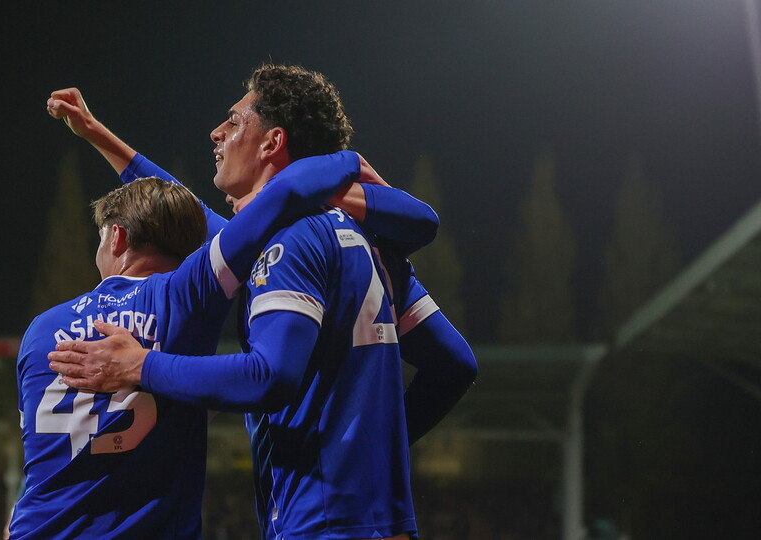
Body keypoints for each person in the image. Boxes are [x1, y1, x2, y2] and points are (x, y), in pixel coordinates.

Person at [49, 65, 477, 540]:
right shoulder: (371, 246)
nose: (216, 133)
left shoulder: (286, 242)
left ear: (271, 143)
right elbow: (454, 365)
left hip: (320, 524)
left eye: (233, 123)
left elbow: (269, 376)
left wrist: (142, 366)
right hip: (385, 523)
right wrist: (372, 447)